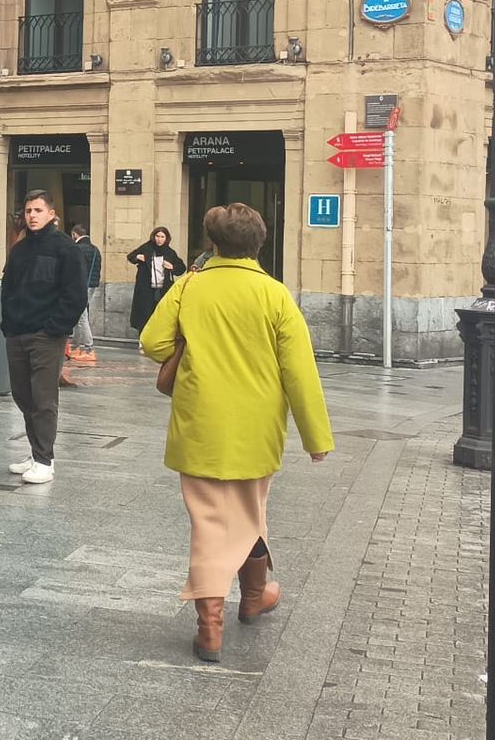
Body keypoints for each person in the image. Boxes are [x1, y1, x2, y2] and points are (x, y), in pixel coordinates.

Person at [140, 203, 334, 662]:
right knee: (250, 508)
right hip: (257, 427)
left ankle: (221, 618)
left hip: (199, 423)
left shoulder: (190, 286)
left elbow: (153, 342)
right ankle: (242, 604)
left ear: (213, 243)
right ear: (258, 244)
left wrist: (190, 342)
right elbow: (300, 371)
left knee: (209, 521)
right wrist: (315, 437)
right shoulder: (274, 294)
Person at [0, 190, 87, 485]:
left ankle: (44, 459)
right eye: (28, 211)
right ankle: (35, 451)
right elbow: (8, 287)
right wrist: (8, 323)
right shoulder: (20, 249)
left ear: (52, 214)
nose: (32, 216)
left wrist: (54, 328)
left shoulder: (65, 249)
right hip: (17, 333)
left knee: (43, 397)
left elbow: (75, 295)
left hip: (46, 336)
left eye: (38, 210)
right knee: (23, 394)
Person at [128, 227, 184, 332]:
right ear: (154, 237)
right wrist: (138, 257)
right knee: (145, 316)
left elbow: (181, 268)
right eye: (157, 236)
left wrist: (172, 267)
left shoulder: (169, 252)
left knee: (161, 314)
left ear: (166, 238)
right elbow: (131, 256)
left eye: (162, 237)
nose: (159, 239)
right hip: (146, 288)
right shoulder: (147, 247)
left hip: (163, 288)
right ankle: (143, 341)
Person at [67, 224, 103, 369]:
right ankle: (75, 345)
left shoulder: (77, 249)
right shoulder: (95, 249)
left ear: (74, 234)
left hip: (80, 286)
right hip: (92, 285)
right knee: (79, 314)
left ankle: (89, 348)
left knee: (82, 316)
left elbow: (74, 270)